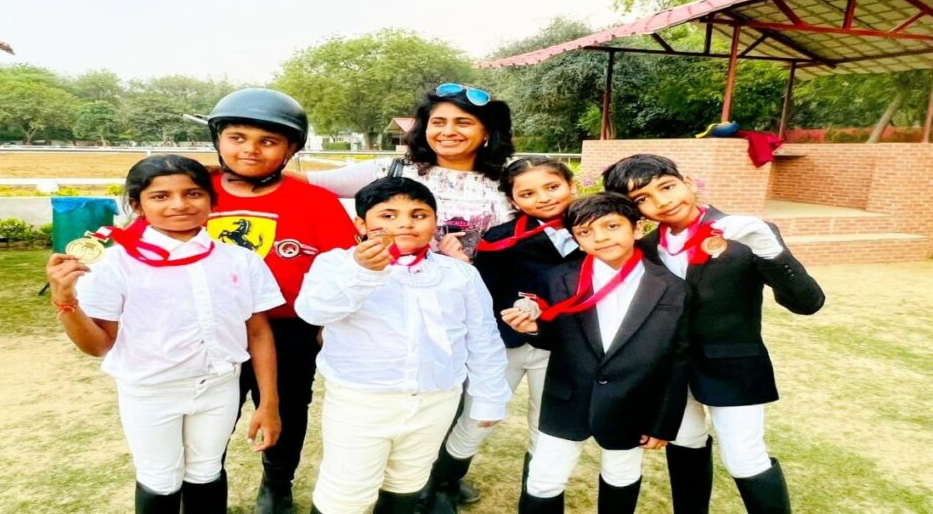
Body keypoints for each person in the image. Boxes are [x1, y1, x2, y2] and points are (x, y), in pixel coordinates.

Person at [45, 155, 283, 513]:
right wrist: (66, 302)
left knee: (206, 471)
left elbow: (259, 332)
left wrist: (269, 402)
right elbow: (97, 345)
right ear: (136, 204)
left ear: (211, 200)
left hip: (219, 387)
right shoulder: (116, 264)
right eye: (160, 196)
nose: (179, 205)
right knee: (160, 478)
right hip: (151, 391)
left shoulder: (240, 260)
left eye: (193, 193)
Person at [602, 154, 826, 514]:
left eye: (667, 186)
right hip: (673, 372)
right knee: (686, 445)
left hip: (734, 368)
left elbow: (808, 303)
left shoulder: (745, 231)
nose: (662, 201)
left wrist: (769, 249)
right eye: (643, 198)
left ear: (687, 181)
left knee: (744, 458)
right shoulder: (643, 251)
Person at [294, 177, 511, 514]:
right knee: (346, 491)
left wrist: (489, 398)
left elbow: (483, 338)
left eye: (419, 214)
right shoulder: (337, 264)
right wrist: (362, 272)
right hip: (361, 401)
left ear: (435, 222)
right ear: (361, 224)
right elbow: (314, 311)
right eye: (388, 215)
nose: (405, 223)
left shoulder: (460, 274)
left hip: (435, 399)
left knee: (408, 480)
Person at [205, 88, 359, 513]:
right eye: (237, 137)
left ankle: (277, 482)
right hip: (210, 328)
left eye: (268, 141)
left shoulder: (317, 203)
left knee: (288, 408)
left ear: (291, 149)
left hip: (289, 328)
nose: (250, 150)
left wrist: (330, 327)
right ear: (217, 139)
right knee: (208, 412)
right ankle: (203, 480)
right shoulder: (193, 192)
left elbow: (340, 272)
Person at [502, 193, 691, 513]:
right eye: (585, 232)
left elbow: (678, 358)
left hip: (632, 404)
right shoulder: (559, 278)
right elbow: (553, 339)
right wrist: (532, 329)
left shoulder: (672, 287)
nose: (600, 237)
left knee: (622, 475)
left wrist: (663, 423)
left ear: (637, 227)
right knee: (543, 480)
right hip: (566, 400)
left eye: (612, 226)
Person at [427, 156, 583, 512]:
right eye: (527, 193)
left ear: (571, 186)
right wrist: (462, 267)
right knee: (479, 416)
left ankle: (539, 496)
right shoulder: (499, 238)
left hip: (562, 347)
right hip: (505, 343)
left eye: (552, 186)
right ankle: (441, 484)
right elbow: (482, 291)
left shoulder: (595, 229)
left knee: (545, 424)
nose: (542, 197)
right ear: (513, 201)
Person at [295, 83, 516, 262]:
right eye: (438, 122)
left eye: (463, 123)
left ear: (487, 132)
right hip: (393, 302)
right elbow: (307, 182)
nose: (448, 131)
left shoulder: (512, 184)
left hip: (479, 301)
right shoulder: (390, 170)